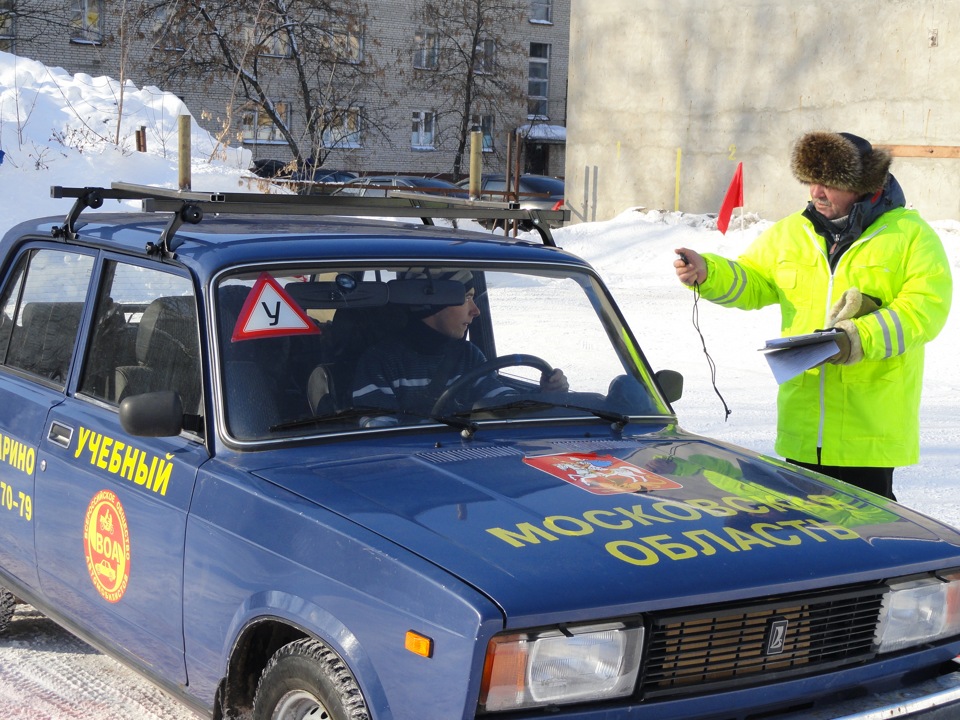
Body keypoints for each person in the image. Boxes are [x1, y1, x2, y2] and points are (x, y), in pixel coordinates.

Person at [674, 131, 952, 500]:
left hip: (868, 430)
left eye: (830, 184)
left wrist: (854, 338)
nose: (816, 193)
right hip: (803, 429)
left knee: (864, 545)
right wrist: (708, 272)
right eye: (811, 182)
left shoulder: (910, 235)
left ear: (862, 184)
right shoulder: (792, 232)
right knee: (805, 543)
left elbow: (924, 309)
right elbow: (754, 280)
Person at [352, 269, 568, 427]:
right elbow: (381, 438)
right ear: (434, 303)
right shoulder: (380, 362)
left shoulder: (468, 355)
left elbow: (500, 404)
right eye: (466, 298)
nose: (475, 311)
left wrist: (545, 394)